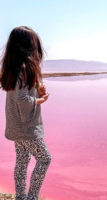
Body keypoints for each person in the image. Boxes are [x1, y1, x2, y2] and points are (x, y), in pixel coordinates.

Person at [0, 26, 51, 200]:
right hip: (26, 129)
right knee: (44, 159)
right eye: (35, 45)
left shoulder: (14, 69)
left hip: (16, 127)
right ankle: (32, 197)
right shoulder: (23, 69)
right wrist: (39, 101)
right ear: (28, 47)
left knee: (22, 162)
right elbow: (22, 100)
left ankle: (21, 197)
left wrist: (38, 92)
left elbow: (20, 95)